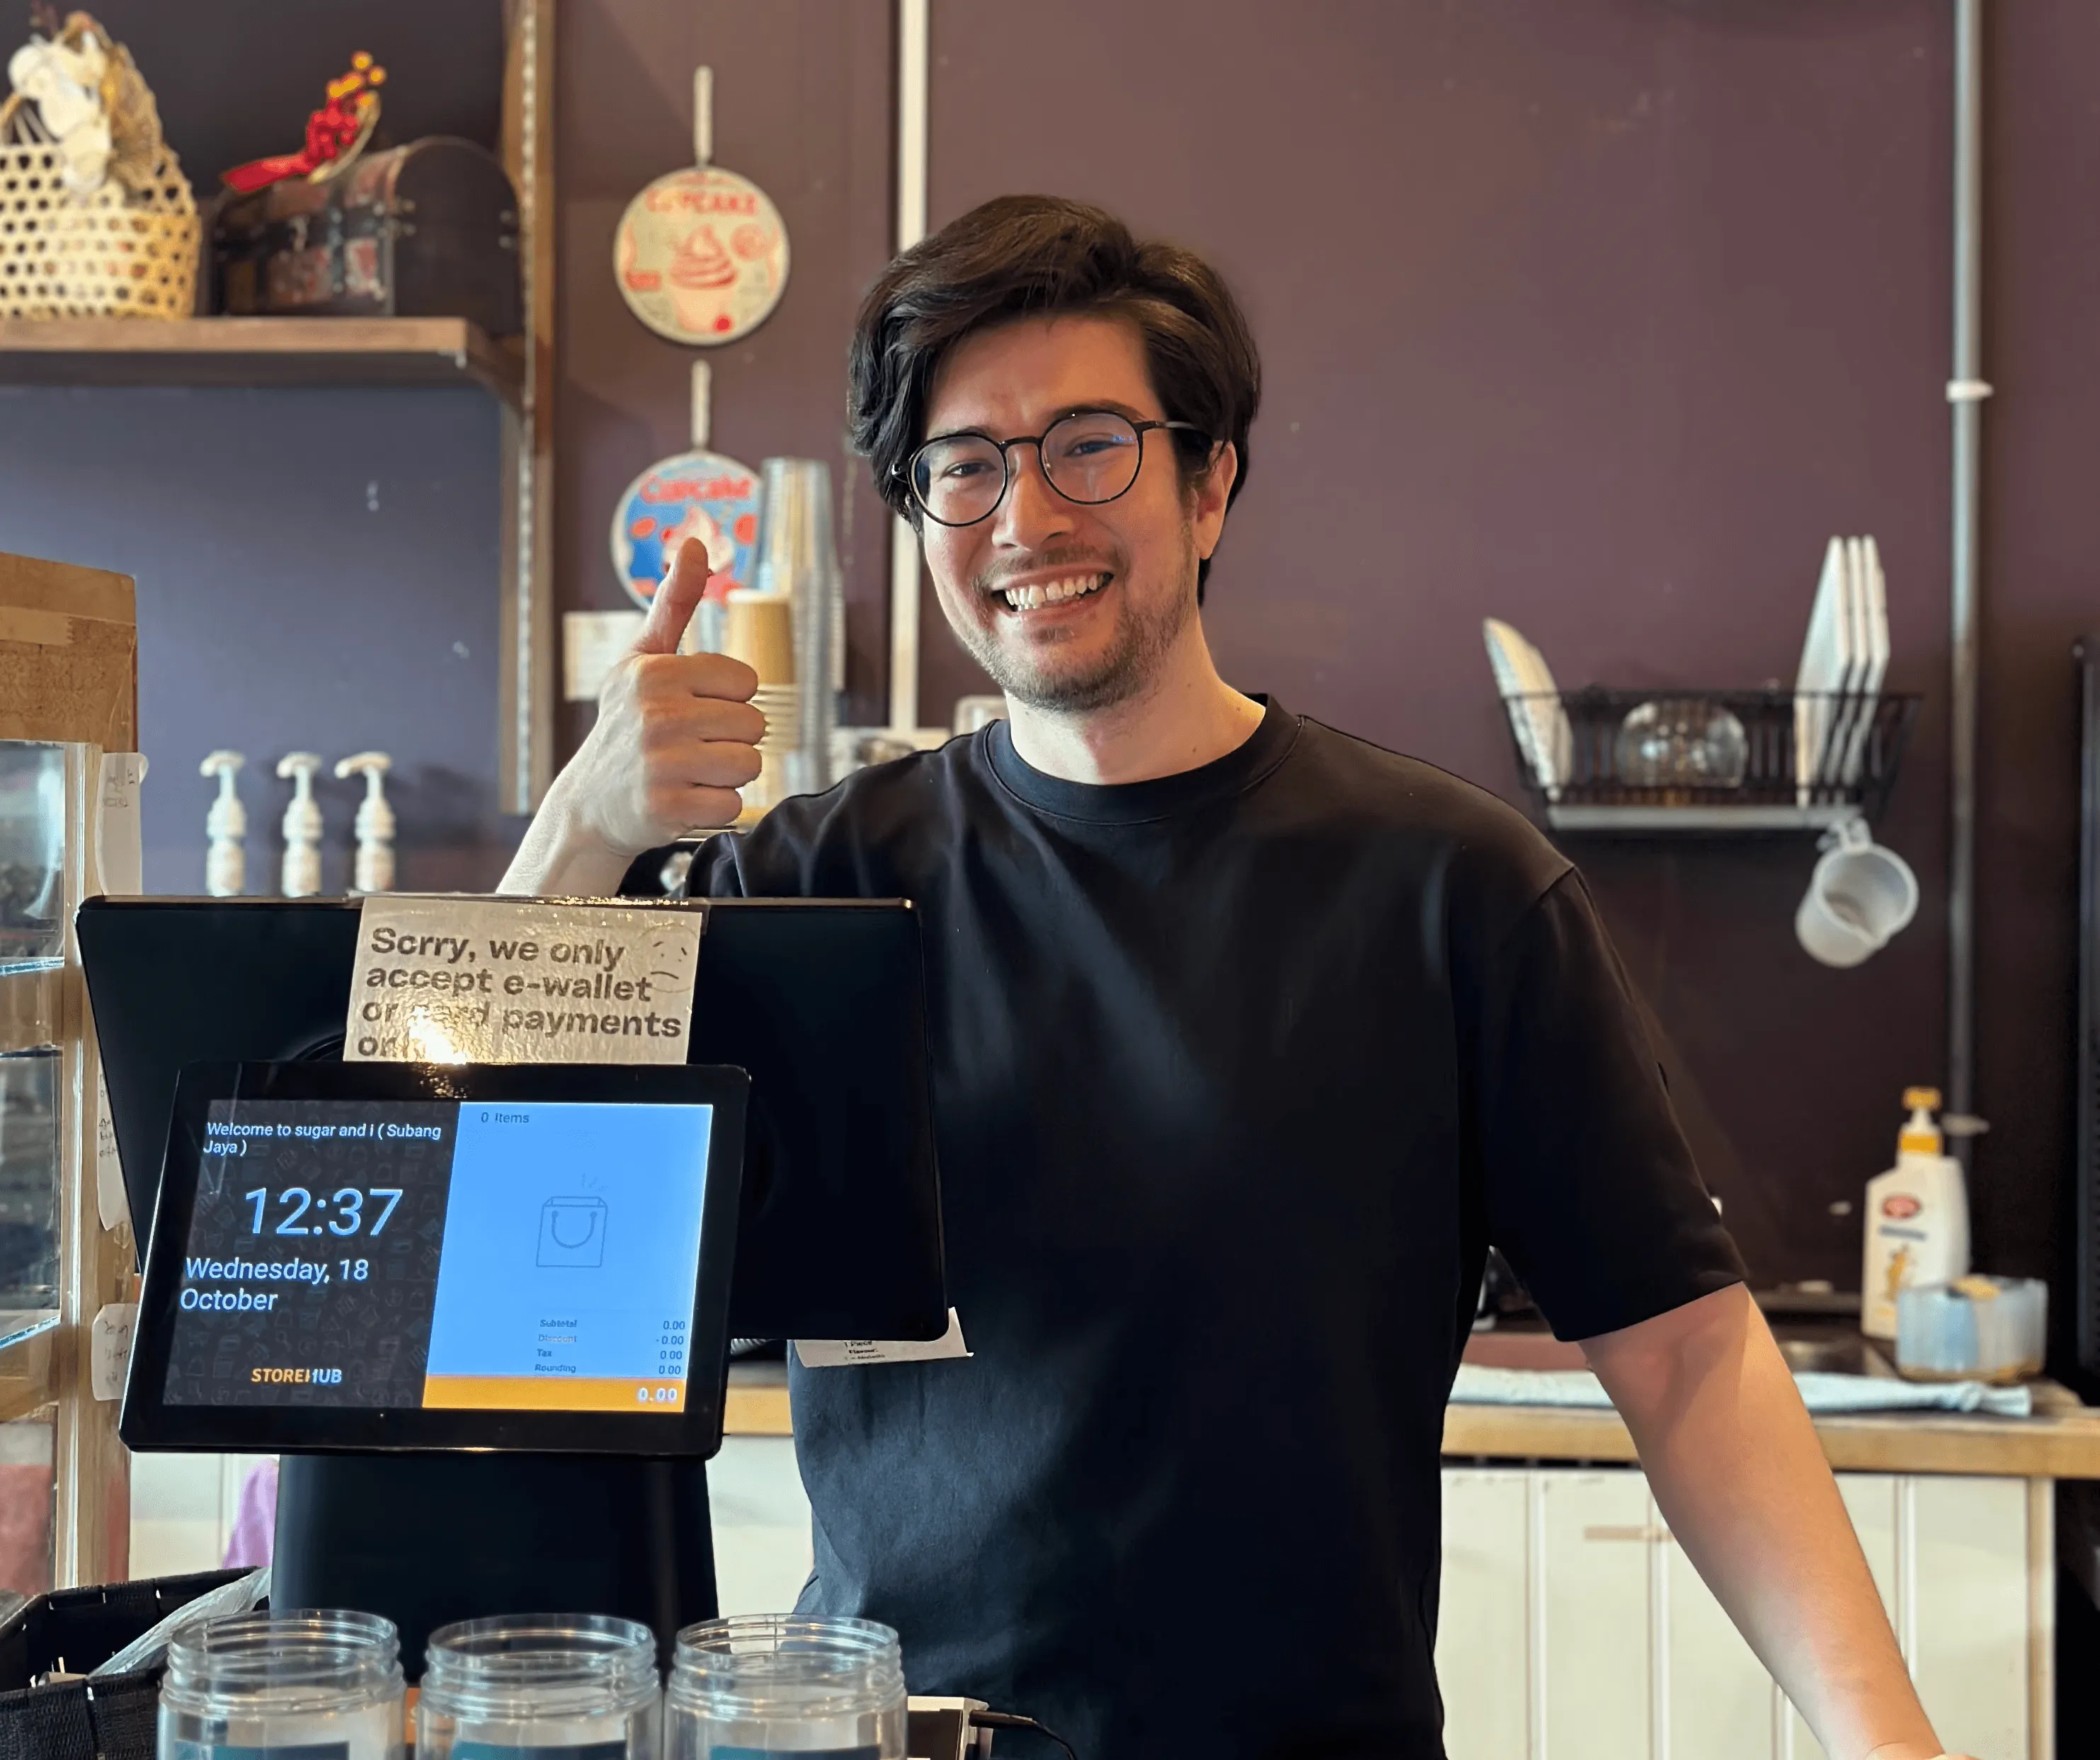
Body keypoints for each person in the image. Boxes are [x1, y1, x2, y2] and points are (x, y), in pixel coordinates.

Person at [504, 196, 1965, 1760]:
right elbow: (476, 1213)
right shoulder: (810, 884)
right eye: (963, 465)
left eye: (1088, 446)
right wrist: (581, 826)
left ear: (1209, 486)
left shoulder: (1448, 888)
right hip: (903, 1738)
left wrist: (1889, 1741)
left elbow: (1683, 1354)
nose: (1024, 518)